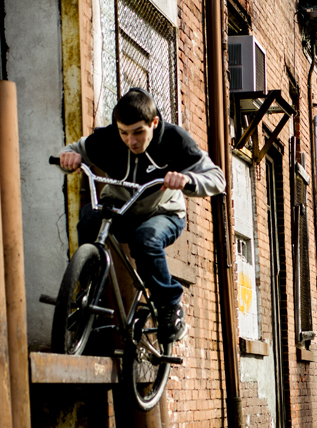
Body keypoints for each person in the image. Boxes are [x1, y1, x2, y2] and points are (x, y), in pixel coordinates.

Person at [58, 88, 225, 344]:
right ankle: (90, 295)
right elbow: (74, 150)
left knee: (145, 239)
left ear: (154, 122)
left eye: (138, 132)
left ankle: (170, 306)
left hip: (162, 213)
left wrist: (187, 180)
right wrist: (67, 159)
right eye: (124, 133)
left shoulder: (174, 140)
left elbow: (217, 179)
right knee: (90, 220)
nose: (131, 141)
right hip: (120, 208)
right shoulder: (109, 138)